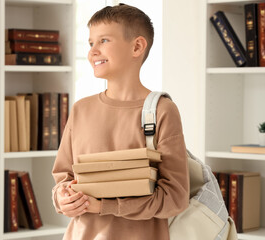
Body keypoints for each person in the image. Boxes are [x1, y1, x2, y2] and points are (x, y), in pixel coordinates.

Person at [52, 4, 189, 240]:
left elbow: (175, 198)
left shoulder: (162, 110)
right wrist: (63, 199)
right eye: (90, 43)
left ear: (137, 46)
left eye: (104, 40)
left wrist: (103, 206)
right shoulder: (80, 110)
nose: (93, 51)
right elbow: (62, 178)